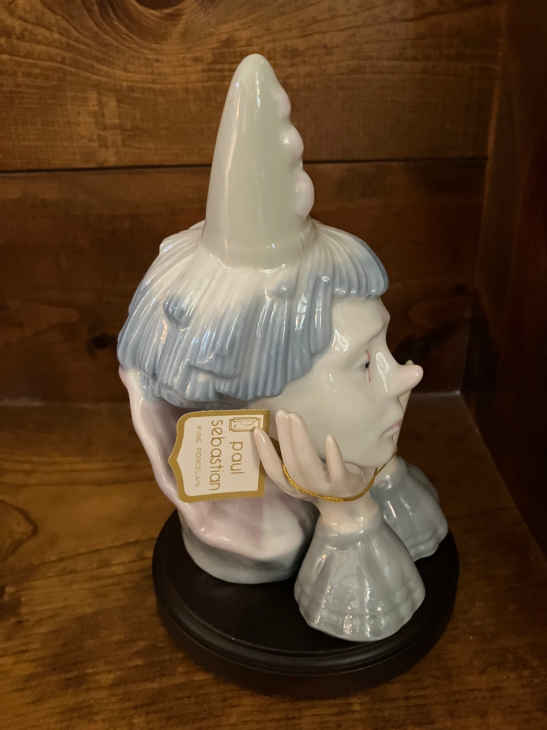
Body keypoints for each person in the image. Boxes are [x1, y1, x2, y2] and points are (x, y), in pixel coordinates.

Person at [117, 54, 447, 610]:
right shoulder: (258, 523)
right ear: (249, 408)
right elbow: (366, 610)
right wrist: (348, 515)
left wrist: (364, 484)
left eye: (385, 350)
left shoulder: (364, 461)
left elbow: (414, 526)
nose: (408, 375)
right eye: (365, 363)